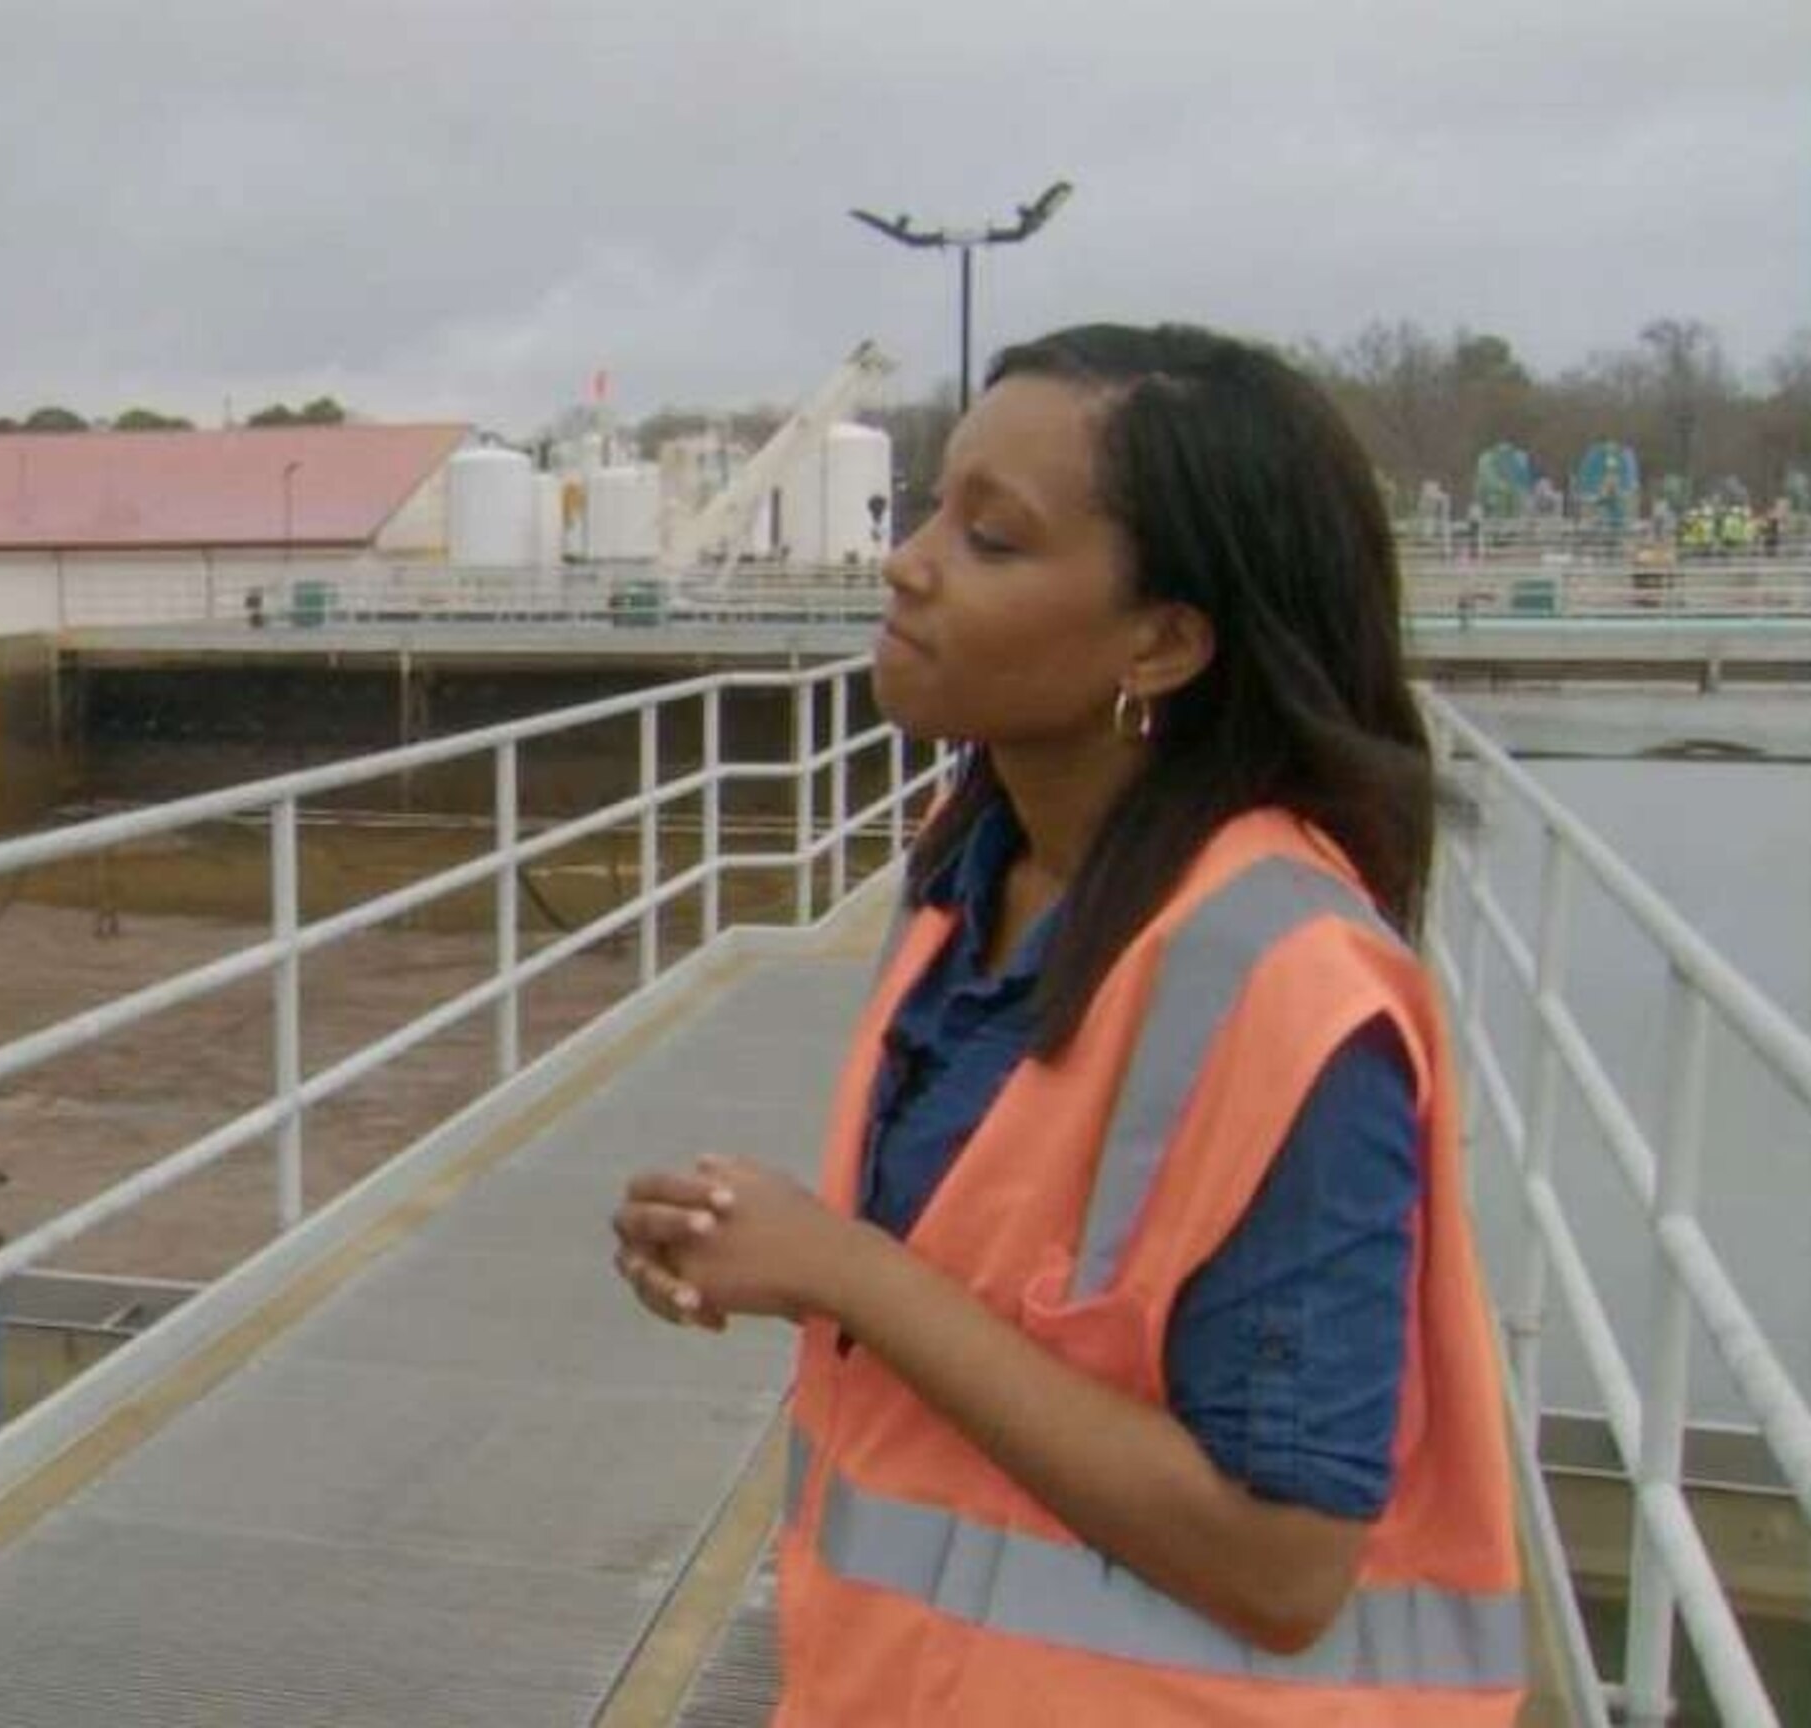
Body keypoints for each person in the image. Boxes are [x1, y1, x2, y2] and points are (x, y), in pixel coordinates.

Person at [611, 324, 1523, 1725]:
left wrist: (847, 1271)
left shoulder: (1285, 982)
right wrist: (771, 1254)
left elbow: (1283, 1563)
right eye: (929, 507)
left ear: (1159, 645)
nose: (908, 561)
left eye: (991, 538)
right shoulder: (969, 867)